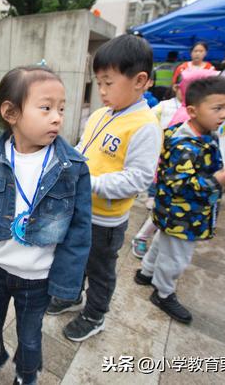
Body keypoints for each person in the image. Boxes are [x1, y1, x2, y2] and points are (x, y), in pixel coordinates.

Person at [0, 66, 92, 385]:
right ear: (11, 112)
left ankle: (27, 373)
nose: (57, 117)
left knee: (30, 335)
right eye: (46, 108)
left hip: (39, 277)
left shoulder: (72, 167)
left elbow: (79, 232)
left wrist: (66, 284)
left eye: (61, 108)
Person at [46, 35, 162, 343]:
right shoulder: (100, 114)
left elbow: (138, 178)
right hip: (81, 210)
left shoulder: (145, 126)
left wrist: (87, 181)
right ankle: (72, 297)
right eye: (98, 83)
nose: (101, 91)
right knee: (73, 258)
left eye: (108, 83)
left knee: (99, 269)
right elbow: (84, 148)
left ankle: (95, 314)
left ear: (140, 80)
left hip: (106, 221)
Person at [134, 76, 225, 324]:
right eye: (217, 108)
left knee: (163, 242)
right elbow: (182, 186)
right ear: (193, 111)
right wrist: (217, 181)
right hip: (184, 215)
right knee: (175, 258)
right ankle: (163, 293)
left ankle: (146, 273)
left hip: (173, 214)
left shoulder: (203, 137)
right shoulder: (187, 146)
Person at [131, 68, 219, 258]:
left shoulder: (204, 123)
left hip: (178, 182)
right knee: (161, 209)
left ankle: (145, 245)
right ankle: (142, 238)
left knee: (161, 213)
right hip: (168, 173)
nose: (222, 114)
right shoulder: (173, 111)